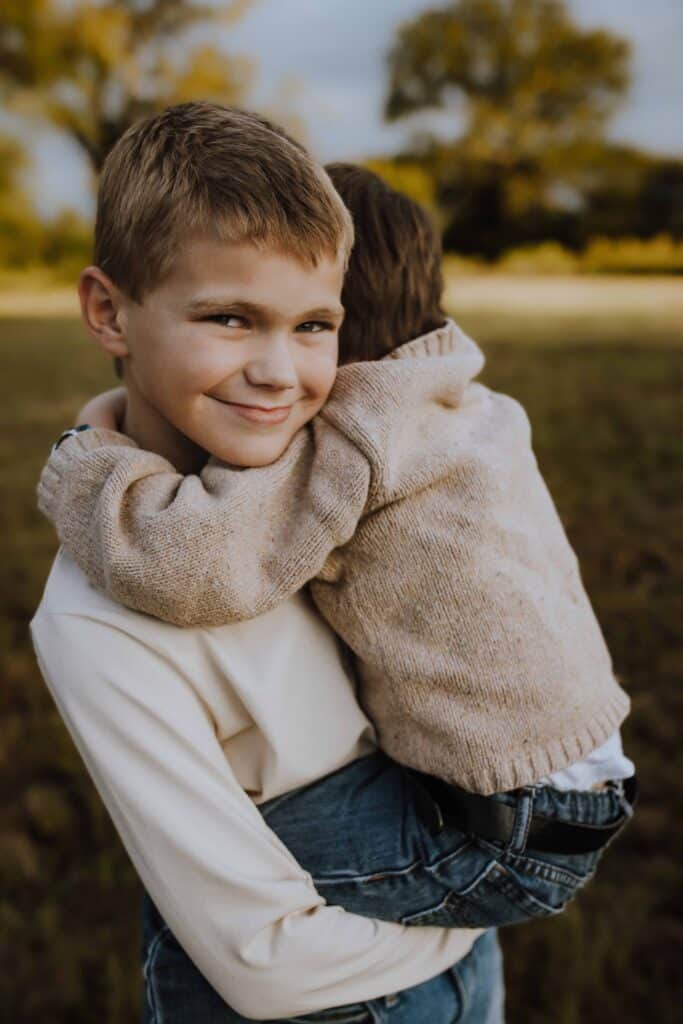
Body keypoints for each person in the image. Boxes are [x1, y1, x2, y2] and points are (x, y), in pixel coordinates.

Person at [39, 148, 638, 935]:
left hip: (498, 828)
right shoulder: (466, 401)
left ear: (336, 322)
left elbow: (190, 561)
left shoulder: (355, 436)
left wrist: (87, 451)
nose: (280, 369)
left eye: (309, 323)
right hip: (581, 782)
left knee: (212, 881)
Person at [31, 103, 502, 1023]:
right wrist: (480, 905)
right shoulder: (94, 621)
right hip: (334, 996)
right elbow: (261, 959)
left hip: (453, 954)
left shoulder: (325, 474)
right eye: (230, 319)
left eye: (314, 325)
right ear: (108, 310)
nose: (280, 373)